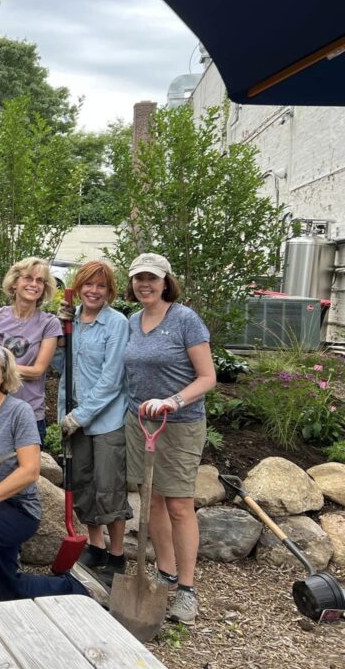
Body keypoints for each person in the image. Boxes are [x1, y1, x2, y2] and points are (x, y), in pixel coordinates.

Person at [0, 343, 105, 605]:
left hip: (16, 508)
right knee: (5, 591)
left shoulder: (18, 412)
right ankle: (75, 588)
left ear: (4, 376)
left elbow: (30, 470)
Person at [123, 252, 216, 626]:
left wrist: (172, 401)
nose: (145, 284)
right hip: (140, 422)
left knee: (179, 504)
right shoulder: (133, 321)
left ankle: (187, 592)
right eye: (138, 278)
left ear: (165, 281)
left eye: (152, 278)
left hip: (178, 424)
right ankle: (165, 572)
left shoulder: (184, 320)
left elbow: (207, 377)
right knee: (153, 502)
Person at [55, 260, 132, 586]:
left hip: (105, 420)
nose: (94, 291)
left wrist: (81, 415)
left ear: (109, 291)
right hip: (73, 417)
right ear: (79, 287)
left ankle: (117, 555)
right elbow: (59, 365)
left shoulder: (116, 324)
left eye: (101, 286)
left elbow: (112, 380)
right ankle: (95, 546)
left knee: (108, 487)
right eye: (89, 284)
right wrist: (60, 334)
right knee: (83, 483)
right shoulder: (73, 322)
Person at [0, 257, 62, 444]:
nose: (34, 284)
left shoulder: (49, 324)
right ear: (14, 283)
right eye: (28, 278)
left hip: (29, 413)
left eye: (40, 281)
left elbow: (37, 372)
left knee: (27, 471)